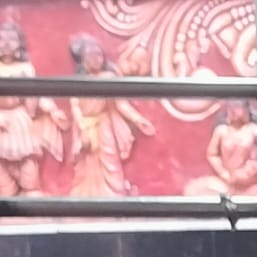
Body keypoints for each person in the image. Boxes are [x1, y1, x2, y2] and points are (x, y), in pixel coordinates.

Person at [68, 35, 155, 198]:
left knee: (111, 164)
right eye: (91, 55)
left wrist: (137, 119)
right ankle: (86, 200)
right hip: (85, 127)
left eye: (99, 54)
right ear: (83, 59)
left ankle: (114, 196)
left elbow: (120, 103)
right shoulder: (77, 81)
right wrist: (82, 129)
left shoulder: (108, 78)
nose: (97, 59)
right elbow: (75, 107)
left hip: (103, 127)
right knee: (86, 167)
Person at [0, 18, 66, 197]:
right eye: (2, 39)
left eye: (11, 39)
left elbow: (36, 94)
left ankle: (30, 195)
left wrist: (52, 111)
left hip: (20, 122)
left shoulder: (25, 68)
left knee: (28, 166)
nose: (6, 44)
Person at [185, 100, 257, 196]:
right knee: (194, 189)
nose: (233, 111)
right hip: (226, 181)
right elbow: (212, 154)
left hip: (249, 183)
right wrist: (223, 173)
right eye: (230, 108)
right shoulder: (221, 131)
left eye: (237, 107)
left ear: (245, 109)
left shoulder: (254, 130)